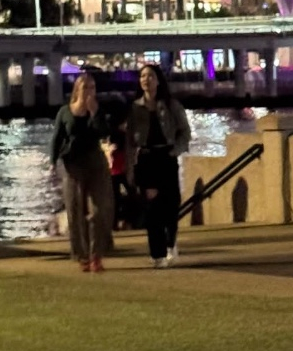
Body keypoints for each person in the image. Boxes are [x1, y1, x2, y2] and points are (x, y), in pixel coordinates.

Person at [49, 70, 115, 273]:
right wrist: (53, 162)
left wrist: (94, 114)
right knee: (75, 209)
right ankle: (82, 255)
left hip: (95, 162)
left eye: (92, 87)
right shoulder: (65, 112)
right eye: (85, 87)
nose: (89, 91)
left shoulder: (97, 110)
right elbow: (57, 137)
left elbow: (104, 132)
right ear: (77, 89)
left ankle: (97, 254)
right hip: (73, 164)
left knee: (99, 209)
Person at [126, 63, 190, 268]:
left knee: (170, 205)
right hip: (146, 158)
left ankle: (171, 243)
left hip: (167, 156)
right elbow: (129, 140)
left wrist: (175, 150)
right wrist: (129, 167)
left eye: (150, 76)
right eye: (142, 76)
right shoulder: (135, 108)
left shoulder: (171, 105)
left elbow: (185, 131)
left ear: (158, 80)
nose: (146, 80)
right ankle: (157, 254)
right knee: (152, 209)